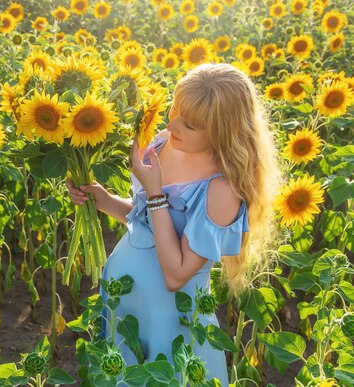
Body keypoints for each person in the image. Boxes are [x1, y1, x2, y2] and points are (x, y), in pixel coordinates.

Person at [66, 63, 283, 384]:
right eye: (176, 109)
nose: (173, 123)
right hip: (126, 304)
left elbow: (176, 275)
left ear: (223, 132)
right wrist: (102, 199)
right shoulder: (166, 141)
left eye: (190, 124)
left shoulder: (223, 189)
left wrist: (154, 191)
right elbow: (146, 222)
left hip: (169, 318)